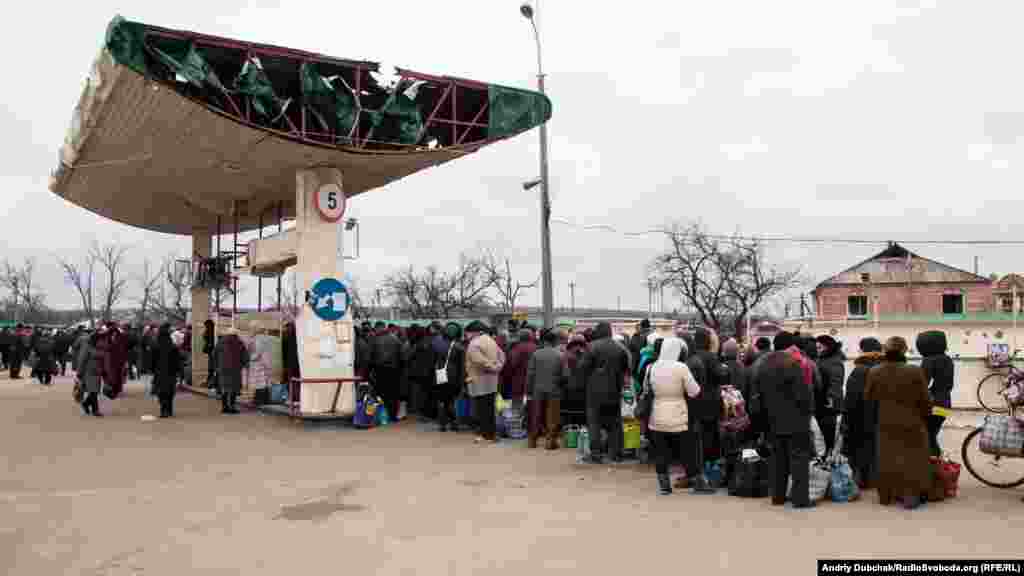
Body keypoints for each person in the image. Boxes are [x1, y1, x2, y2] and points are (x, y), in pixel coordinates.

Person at [865, 336, 931, 510]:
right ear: (904, 350)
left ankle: (885, 496)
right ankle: (910, 496)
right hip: (912, 422)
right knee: (912, 459)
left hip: (885, 422)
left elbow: (869, 399)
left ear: (885, 351)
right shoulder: (914, 371)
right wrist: (925, 417)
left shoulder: (875, 371)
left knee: (886, 458)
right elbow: (925, 400)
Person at [755, 331, 814, 508]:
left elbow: (759, 394)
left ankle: (777, 496)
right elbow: (803, 395)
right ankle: (800, 498)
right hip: (796, 420)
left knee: (778, 460)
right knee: (799, 459)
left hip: (773, 419)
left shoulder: (764, 365)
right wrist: (807, 414)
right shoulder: (793, 364)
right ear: (791, 346)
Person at [647, 337, 702, 495]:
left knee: (661, 452)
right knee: (687, 450)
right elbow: (694, 391)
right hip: (678, 414)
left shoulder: (653, 367)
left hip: (657, 414)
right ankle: (697, 482)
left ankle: (664, 486)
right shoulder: (681, 367)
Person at [580, 322, 630, 463]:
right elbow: (627, 369)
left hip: (594, 392)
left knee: (594, 423)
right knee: (615, 423)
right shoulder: (621, 347)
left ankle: (596, 454)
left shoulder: (592, 347)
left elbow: (582, 368)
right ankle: (616, 454)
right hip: (614, 390)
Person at [841, 337, 884, 489]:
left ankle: (864, 480)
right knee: (876, 447)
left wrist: (846, 417)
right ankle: (876, 478)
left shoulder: (859, 370)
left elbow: (852, 398)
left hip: (861, 416)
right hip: (880, 415)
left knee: (860, 448)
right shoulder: (884, 368)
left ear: (863, 351)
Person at [687, 327, 725, 468]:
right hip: (710, 401)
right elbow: (720, 376)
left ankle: (699, 463)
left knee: (698, 435)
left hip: (695, 401)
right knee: (710, 434)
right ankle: (711, 463)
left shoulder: (691, 356)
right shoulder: (711, 357)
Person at [527, 329, 569, 449]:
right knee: (552, 416)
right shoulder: (560, 355)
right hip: (554, 389)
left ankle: (532, 441)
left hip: (537, 389)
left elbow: (530, 374)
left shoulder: (536, 354)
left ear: (544, 341)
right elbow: (566, 375)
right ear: (555, 341)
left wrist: (529, 390)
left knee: (536, 415)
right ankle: (550, 441)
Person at [465, 321, 505, 443]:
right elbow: (502, 356)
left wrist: (492, 367)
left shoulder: (474, 344)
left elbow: (479, 361)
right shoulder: (491, 341)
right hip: (492, 380)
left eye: (468, 332)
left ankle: (484, 435)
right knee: (489, 409)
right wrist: (497, 367)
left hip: (479, 381)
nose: (467, 335)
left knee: (481, 410)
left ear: (474, 332)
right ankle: (491, 434)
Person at [917, 331, 954, 457]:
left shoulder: (928, 360)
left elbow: (922, 384)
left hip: (933, 404)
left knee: (927, 436)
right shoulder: (947, 359)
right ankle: (936, 461)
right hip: (945, 404)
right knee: (931, 434)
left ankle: (935, 465)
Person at [815, 335, 845, 456]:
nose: (817, 350)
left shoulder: (834, 361)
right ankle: (828, 451)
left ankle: (830, 452)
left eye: (820, 347)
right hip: (821, 400)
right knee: (825, 428)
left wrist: (831, 398)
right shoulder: (823, 358)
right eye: (817, 347)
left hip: (828, 402)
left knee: (829, 429)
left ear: (828, 347)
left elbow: (836, 381)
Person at [502, 328, 537, 422]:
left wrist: (507, 376)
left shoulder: (517, 348)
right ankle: (530, 423)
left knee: (517, 403)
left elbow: (513, 364)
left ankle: (517, 424)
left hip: (519, 379)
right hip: (534, 381)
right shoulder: (536, 347)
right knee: (532, 403)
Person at [371, 321, 404, 419]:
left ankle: (381, 415)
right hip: (394, 370)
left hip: (379, 370)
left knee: (380, 393)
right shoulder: (395, 339)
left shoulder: (375, 339)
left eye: (376, 329)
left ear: (379, 328)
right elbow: (402, 356)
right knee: (393, 393)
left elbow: (370, 356)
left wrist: (370, 370)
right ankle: (392, 415)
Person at [437, 322, 465, 432]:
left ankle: (442, 424)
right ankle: (454, 423)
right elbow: (462, 367)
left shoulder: (438, 345)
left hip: (440, 375)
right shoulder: (460, 347)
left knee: (442, 400)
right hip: (454, 377)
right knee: (452, 400)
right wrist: (462, 382)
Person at [215, 327, 250, 414]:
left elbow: (214, 355)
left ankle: (224, 406)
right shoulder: (239, 342)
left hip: (223, 369)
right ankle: (232, 406)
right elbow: (244, 355)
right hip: (235, 369)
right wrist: (245, 365)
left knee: (225, 387)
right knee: (234, 388)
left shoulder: (220, 342)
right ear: (236, 334)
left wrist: (217, 366)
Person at [152, 323, 183, 418]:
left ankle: (163, 410)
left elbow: (152, 360)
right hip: (171, 371)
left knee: (161, 391)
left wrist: (153, 370)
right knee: (170, 391)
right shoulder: (173, 346)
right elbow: (177, 360)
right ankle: (169, 409)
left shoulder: (155, 345)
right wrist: (178, 371)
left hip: (159, 371)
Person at [77, 332, 104, 417]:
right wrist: (79, 372)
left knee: (94, 391)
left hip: (97, 372)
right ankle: (95, 410)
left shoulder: (99, 347)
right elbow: (82, 360)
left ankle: (85, 404)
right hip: (88, 371)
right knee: (93, 391)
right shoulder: (87, 347)